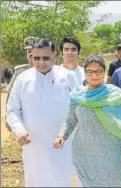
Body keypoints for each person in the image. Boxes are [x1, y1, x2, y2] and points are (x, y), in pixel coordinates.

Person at [53, 55, 121, 187]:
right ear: (85, 72)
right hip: (84, 153)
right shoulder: (78, 95)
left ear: (104, 72)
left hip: (111, 154)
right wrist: (61, 136)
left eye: (98, 71)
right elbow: (70, 120)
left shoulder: (114, 95)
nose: (94, 75)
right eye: (90, 72)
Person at [6, 38, 73, 187]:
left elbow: (78, 107)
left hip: (62, 144)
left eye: (45, 58)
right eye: (36, 58)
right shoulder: (23, 79)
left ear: (54, 56)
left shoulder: (68, 76)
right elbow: (12, 110)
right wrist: (20, 130)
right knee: (35, 180)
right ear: (31, 57)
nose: (41, 62)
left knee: (61, 180)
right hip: (33, 145)